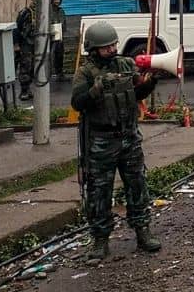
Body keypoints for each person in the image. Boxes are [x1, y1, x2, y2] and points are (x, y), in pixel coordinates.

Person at [71, 21, 161, 260]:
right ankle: (100, 240)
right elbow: (77, 103)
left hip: (129, 137)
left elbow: (137, 95)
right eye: (105, 47)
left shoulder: (126, 64)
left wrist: (150, 82)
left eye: (113, 45)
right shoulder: (86, 72)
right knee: (99, 191)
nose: (111, 50)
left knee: (137, 185)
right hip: (101, 141)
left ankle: (143, 231)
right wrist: (95, 90)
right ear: (93, 49)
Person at [13, 0, 38, 101]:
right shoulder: (25, 13)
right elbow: (17, 29)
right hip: (26, 43)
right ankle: (24, 91)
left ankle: (28, 89)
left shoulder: (43, 13)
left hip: (36, 43)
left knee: (33, 67)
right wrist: (16, 44)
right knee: (25, 67)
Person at [51, 0, 68, 81]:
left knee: (60, 55)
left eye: (58, 0)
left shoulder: (61, 10)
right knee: (49, 54)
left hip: (60, 36)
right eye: (55, 0)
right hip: (50, 36)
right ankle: (46, 73)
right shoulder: (48, 11)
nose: (57, 1)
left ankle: (59, 73)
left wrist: (62, 34)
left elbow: (64, 22)